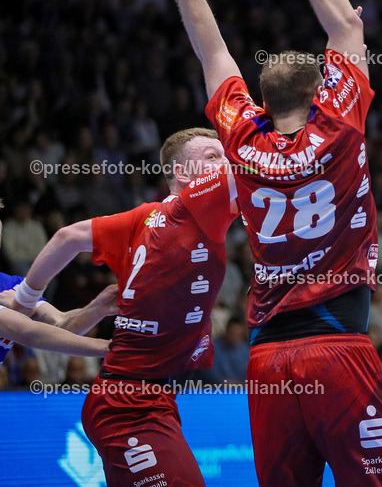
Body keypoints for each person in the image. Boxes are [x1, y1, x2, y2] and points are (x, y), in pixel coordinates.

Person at [122, 0, 382, 486]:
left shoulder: (240, 134)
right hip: (337, 350)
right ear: (320, 90)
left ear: (264, 97)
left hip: (266, 361)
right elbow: (347, 26)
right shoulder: (340, 125)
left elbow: (211, 50)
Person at [13, 129, 238, 486]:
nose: (225, 163)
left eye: (223, 156)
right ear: (182, 173)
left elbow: (66, 237)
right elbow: (260, 163)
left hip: (140, 394)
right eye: (212, 157)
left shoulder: (142, 216)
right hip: (129, 404)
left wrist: (26, 296)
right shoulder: (201, 206)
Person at [0, 203, 115, 365]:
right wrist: (111, 348)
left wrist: (98, 308)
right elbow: (26, 332)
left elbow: (61, 325)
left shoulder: (11, 284)